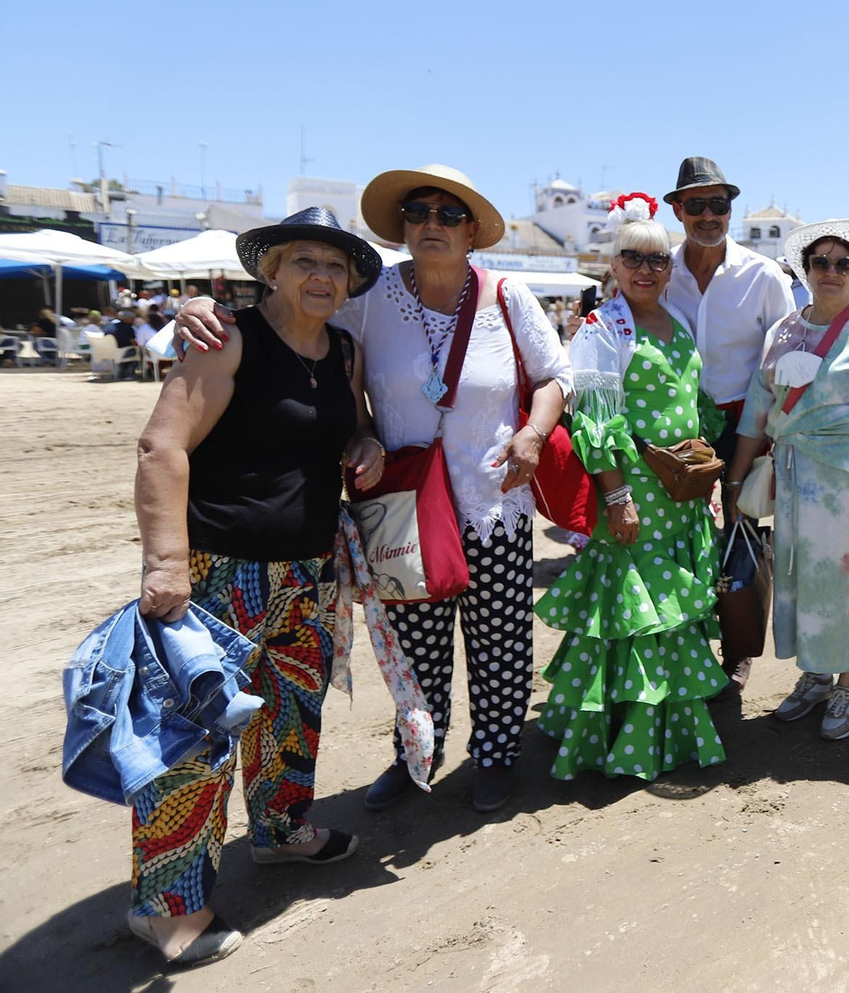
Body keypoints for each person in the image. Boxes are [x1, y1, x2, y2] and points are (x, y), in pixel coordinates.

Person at [174, 164, 572, 814]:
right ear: (403, 225)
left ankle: (496, 757)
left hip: (495, 500)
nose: (431, 225)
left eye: (448, 216)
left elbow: (556, 376)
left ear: (472, 231)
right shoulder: (369, 299)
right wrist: (204, 309)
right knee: (415, 647)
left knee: (501, 640)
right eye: (419, 212)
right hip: (403, 506)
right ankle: (417, 753)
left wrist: (532, 433)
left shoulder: (507, 296)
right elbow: (312, 348)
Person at [125, 208, 385, 967]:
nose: (321, 277)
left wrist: (364, 442)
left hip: (309, 568)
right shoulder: (229, 338)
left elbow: (352, 426)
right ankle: (166, 908)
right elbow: (161, 445)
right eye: (305, 261)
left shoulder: (344, 351)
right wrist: (166, 563)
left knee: (291, 715)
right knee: (196, 739)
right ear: (270, 269)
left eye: (336, 268)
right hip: (217, 571)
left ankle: (281, 833)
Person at [532, 194, 728, 778]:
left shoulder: (679, 322)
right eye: (632, 258)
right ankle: (625, 735)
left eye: (658, 260)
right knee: (635, 612)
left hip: (679, 499)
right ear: (612, 266)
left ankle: (663, 726)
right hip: (636, 499)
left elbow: (692, 404)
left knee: (665, 613)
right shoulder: (601, 330)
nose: (646, 270)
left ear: (671, 268)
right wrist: (617, 498)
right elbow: (596, 422)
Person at [723, 219, 849, 741]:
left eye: (844, 263)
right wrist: (735, 479)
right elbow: (756, 412)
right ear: (806, 269)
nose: (831, 271)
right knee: (801, 580)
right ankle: (815, 674)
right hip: (796, 484)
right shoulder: (784, 331)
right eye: (822, 262)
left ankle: (848, 683)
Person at [662, 157, 795, 691]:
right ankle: (686, 643)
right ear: (677, 210)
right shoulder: (658, 269)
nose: (710, 215)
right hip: (673, 428)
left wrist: (773, 435)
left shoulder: (762, 274)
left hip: (746, 424)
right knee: (677, 537)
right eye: (697, 204)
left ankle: (737, 649)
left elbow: (786, 356)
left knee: (742, 535)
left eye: (720, 204)